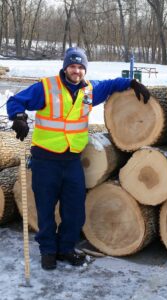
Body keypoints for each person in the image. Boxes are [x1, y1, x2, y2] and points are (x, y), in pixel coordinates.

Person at [7, 47, 150, 271]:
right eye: (73, 66)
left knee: (74, 210)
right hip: (45, 160)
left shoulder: (90, 91)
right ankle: (48, 251)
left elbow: (112, 84)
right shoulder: (47, 87)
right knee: (45, 209)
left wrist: (132, 83)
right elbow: (16, 101)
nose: (77, 71)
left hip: (72, 160)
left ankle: (65, 248)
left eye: (81, 67)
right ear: (65, 67)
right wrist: (18, 117)